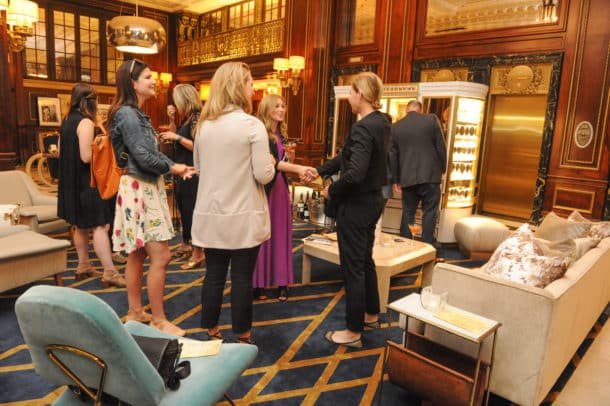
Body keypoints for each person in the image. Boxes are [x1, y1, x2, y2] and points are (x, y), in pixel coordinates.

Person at [107, 59, 195, 336]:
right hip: (140, 188)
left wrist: (173, 167)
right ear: (132, 83)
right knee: (161, 256)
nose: (154, 81)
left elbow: (146, 154)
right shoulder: (129, 115)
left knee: (138, 254)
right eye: (147, 77)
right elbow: (144, 157)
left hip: (141, 187)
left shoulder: (135, 114)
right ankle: (158, 319)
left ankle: (136, 312)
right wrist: (174, 167)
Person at [303, 72, 390, 348]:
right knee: (365, 260)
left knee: (353, 266)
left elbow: (354, 173)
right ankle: (371, 314)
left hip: (356, 204)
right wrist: (319, 170)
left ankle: (353, 331)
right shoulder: (382, 122)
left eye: (351, 93)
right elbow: (346, 156)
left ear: (360, 94)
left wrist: (332, 189)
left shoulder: (363, 127)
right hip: (374, 201)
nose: (349, 97)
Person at [192, 62, 275, 344]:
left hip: (212, 214)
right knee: (241, 279)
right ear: (238, 86)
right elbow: (263, 175)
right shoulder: (252, 125)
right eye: (251, 83)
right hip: (244, 215)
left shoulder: (204, 127)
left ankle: (212, 330)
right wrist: (273, 164)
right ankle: (243, 335)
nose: (254, 89)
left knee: (213, 276)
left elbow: (200, 168)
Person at [57, 83, 126, 289]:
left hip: (71, 182)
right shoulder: (85, 122)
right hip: (88, 182)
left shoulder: (67, 121)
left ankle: (83, 265)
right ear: (89, 101)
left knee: (81, 225)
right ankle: (110, 272)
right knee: (99, 226)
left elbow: (61, 150)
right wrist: (100, 145)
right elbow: (87, 157)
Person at [254, 94, 308, 302]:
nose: (281, 109)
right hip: (265, 190)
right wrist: (297, 167)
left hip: (281, 189)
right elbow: (273, 164)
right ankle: (259, 283)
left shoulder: (282, 137)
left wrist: (292, 160)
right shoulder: (261, 136)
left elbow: (283, 163)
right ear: (267, 109)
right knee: (263, 236)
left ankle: (282, 283)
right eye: (277, 106)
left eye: (283, 106)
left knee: (281, 235)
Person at [388, 100, 447, 244]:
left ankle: (405, 244)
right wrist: (442, 169)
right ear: (420, 110)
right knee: (430, 212)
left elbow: (393, 156)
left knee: (408, 212)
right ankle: (426, 245)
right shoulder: (431, 120)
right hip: (430, 176)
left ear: (407, 110)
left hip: (407, 178)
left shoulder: (396, 127)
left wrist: (396, 179)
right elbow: (441, 147)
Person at [160, 84, 205, 269]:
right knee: (185, 210)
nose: (175, 104)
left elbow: (198, 147)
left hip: (193, 172)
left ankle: (199, 252)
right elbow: (176, 135)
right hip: (182, 171)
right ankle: (187, 242)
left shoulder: (197, 118)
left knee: (192, 211)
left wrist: (176, 137)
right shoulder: (187, 119)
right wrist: (172, 121)